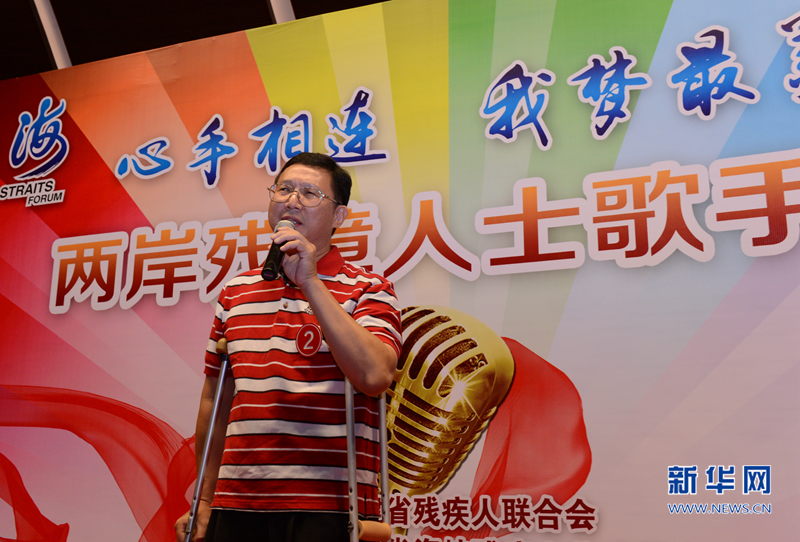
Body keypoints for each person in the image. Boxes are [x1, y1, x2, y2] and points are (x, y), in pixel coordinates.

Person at [175, 152, 402, 542]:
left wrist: (311, 282)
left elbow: (375, 375)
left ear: (339, 216)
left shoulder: (368, 288)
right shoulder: (236, 292)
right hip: (237, 501)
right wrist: (205, 498)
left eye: (310, 193)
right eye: (284, 189)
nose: (293, 201)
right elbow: (216, 398)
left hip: (330, 505)